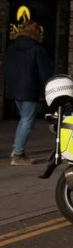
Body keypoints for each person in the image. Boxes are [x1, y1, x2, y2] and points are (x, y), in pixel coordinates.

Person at [3, 21, 53, 166]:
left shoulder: (11, 48)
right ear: (36, 32)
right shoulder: (37, 49)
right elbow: (44, 72)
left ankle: (16, 149)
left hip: (14, 89)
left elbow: (6, 68)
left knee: (23, 118)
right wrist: (48, 88)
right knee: (27, 120)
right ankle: (18, 155)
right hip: (30, 89)